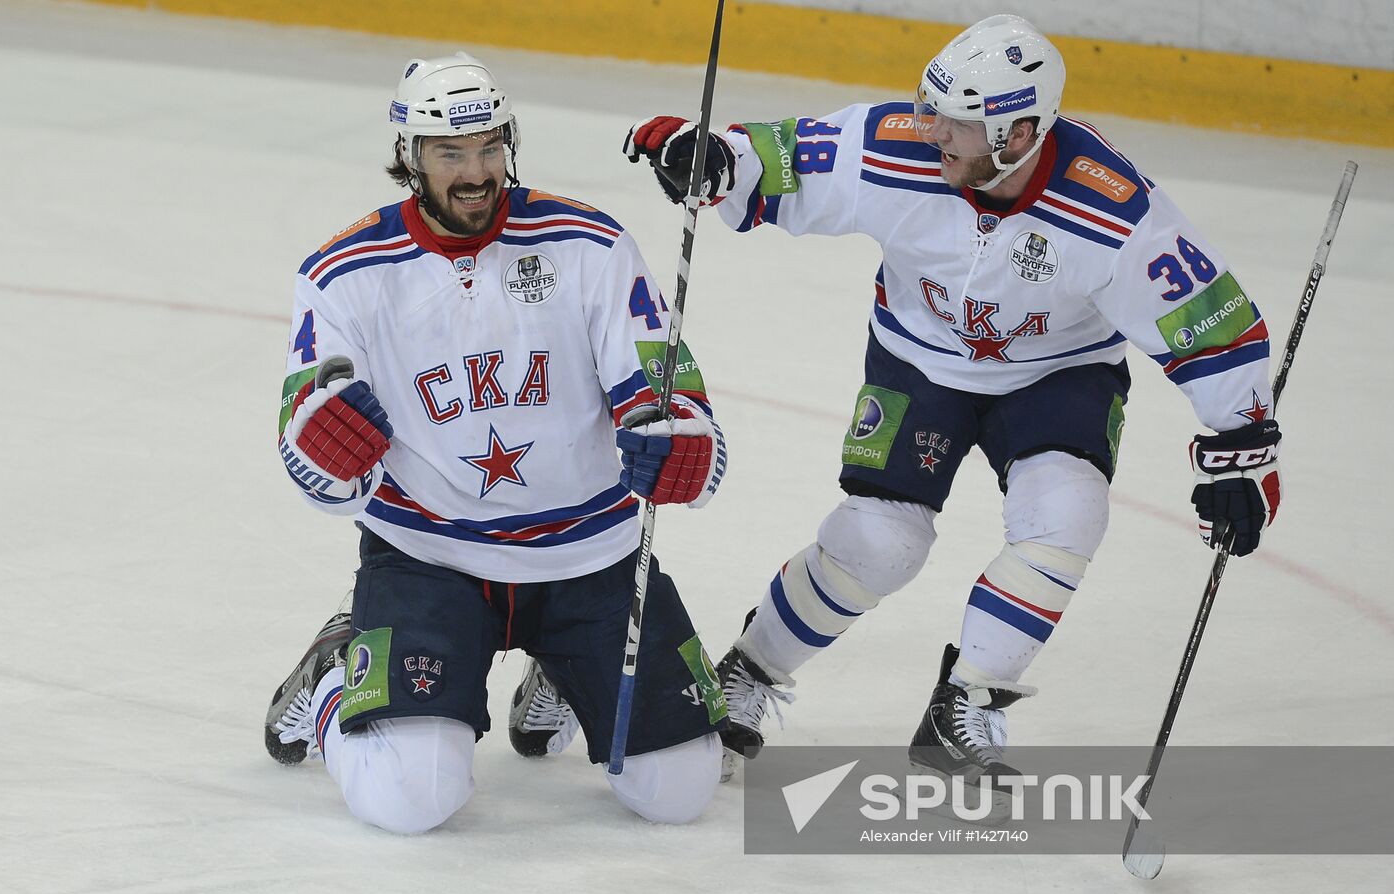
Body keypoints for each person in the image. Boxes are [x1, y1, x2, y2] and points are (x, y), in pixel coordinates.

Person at [622, 14, 1282, 783]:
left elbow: (1209, 320)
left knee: (1067, 512)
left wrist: (1241, 450)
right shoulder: (898, 146)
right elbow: (783, 157)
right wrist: (712, 158)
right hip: (917, 362)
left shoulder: (1113, 210)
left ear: (1018, 134)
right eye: (931, 108)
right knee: (880, 541)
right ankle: (749, 668)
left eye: (958, 124)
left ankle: (966, 703)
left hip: (1059, 374)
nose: (933, 131)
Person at [262, 52, 730, 834]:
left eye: (489, 148)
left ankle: (567, 671)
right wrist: (325, 455)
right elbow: (311, 461)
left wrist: (683, 445)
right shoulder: (344, 273)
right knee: (410, 801)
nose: (477, 172)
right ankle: (336, 683)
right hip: (430, 558)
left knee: (679, 791)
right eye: (451, 154)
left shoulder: (589, 244)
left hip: (590, 557)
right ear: (410, 154)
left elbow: (676, 400)